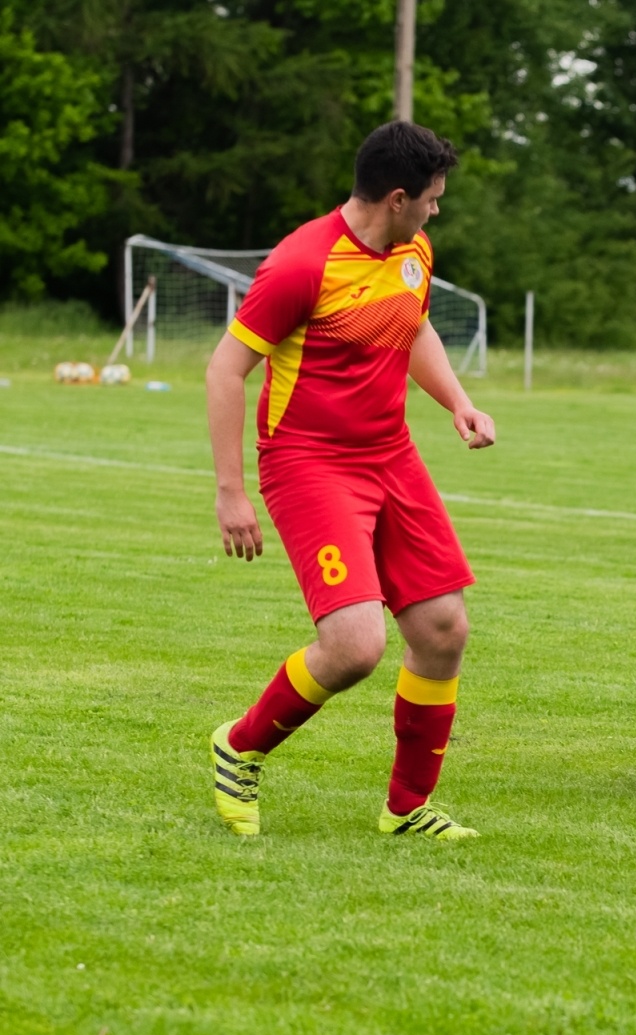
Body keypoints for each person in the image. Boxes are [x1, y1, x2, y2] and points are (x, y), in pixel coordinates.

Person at [205, 121, 495, 840]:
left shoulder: (412, 250)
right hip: (309, 464)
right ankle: (239, 745)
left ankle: (407, 808)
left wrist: (457, 401)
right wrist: (230, 490)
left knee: (442, 627)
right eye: (431, 199)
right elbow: (225, 369)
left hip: (390, 455)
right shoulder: (302, 264)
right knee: (355, 645)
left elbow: (413, 325)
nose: (437, 211)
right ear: (397, 197)